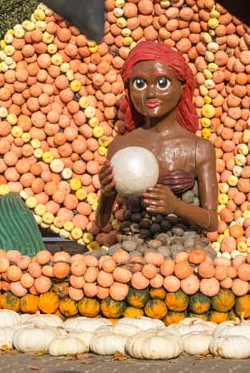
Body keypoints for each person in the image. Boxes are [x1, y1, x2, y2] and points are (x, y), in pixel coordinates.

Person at [94, 41, 219, 233]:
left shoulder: (198, 148)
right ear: (128, 90)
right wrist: (106, 192)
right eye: (140, 84)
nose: (151, 93)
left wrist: (176, 207)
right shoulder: (120, 148)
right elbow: (101, 222)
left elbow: (211, 222)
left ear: (182, 87)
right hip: (132, 246)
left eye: (162, 83)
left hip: (184, 249)